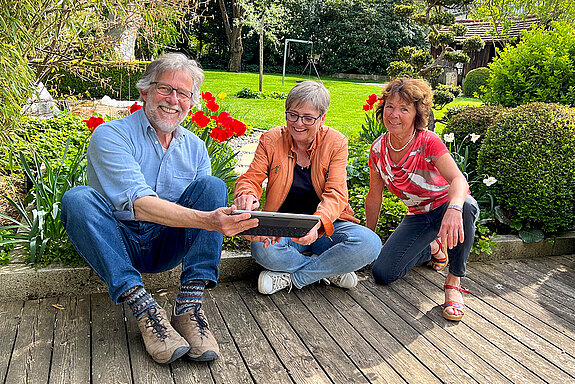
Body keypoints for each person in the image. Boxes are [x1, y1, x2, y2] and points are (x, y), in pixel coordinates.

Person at [61, 53, 257, 364]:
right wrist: (210, 220)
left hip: (167, 243)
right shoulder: (111, 135)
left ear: (191, 102)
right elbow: (139, 204)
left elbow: (206, 205)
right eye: (165, 88)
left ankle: (189, 306)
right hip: (118, 242)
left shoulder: (196, 147)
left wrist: (242, 218)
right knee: (77, 199)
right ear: (145, 91)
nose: (173, 100)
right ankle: (145, 309)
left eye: (183, 93)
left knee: (213, 188)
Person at [234, 80, 381, 295]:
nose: (298, 123)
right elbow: (251, 178)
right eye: (292, 114)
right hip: (282, 228)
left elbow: (336, 194)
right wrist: (246, 194)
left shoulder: (336, 142)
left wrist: (318, 223)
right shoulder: (271, 139)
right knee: (261, 249)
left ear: (322, 118)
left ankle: (294, 277)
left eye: (308, 118)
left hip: (325, 229)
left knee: (369, 243)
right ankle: (328, 270)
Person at [365, 78, 479, 322]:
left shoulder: (427, 141)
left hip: (447, 206)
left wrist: (454, 208)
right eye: (390, 107)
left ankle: (453, 283)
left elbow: (459, 180)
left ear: (417, 114)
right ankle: (434, 247)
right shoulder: (377, 150)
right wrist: (369, 239)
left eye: (404, 109)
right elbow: (375, 196)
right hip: (418, 215)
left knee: (467, 206)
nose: (394, 115)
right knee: (383, 273)